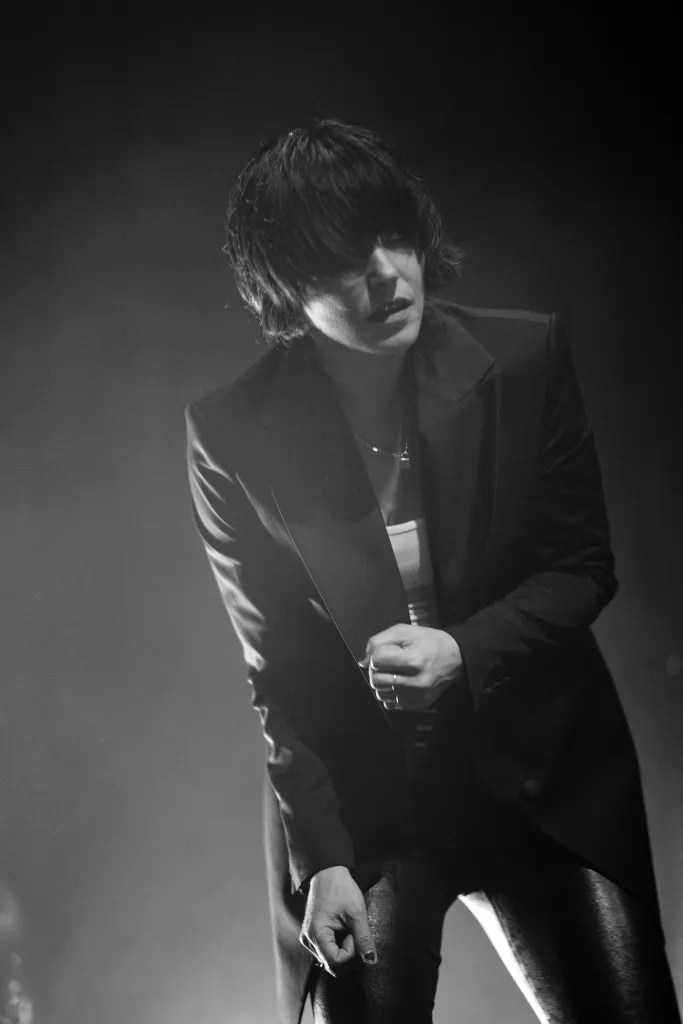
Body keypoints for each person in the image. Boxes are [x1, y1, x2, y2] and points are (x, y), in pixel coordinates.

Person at [185, 119, 681, 1023]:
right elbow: (278, 669)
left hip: (540, 775)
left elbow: (581, 566)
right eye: (345, 258)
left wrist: (462, 650)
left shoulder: (523, 358)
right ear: (286, 287)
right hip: (366, 809)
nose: (386, 273)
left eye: (393, 236)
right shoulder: (232, 432)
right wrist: (322, 859)